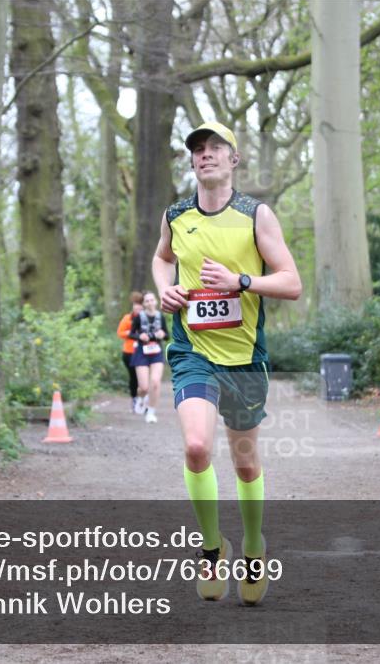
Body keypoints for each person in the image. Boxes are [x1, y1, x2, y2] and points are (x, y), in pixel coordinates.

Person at [152, 121, 301, 605]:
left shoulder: (255, 215)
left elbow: (291, 283)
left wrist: (240, 282)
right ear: (192, 161)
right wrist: (165, 288)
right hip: (193, 351)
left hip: (243, 357)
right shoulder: (175, 215)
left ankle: (254, 546)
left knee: (245, 462)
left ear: (234, 159)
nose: (205, 154)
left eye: (216, 147)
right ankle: (212, 549)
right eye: (198, 149)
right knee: (197, 447)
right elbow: (161, 258)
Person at [128, 291, 169, 424]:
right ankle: (141, 398)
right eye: (147, 301)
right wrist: (139, 336)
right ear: (144, 304)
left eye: (152, 300)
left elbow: (167, 334)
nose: (150, 303)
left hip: (156, 352)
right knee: (144, 387)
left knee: (155, 383)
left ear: (156, 301)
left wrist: (163, 334)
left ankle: (151, 412)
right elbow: (131, 334)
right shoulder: (139, 317)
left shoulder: (160, 316)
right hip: (142, 352)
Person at [116, 291, 143, 413]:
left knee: (143, 379)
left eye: (139, 304)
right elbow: (120, 332)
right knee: (134, 378)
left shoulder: (147, 318)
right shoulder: (127, 318)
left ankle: (144, 401)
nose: (137, 307)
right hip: (129, 352)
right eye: (135, 304)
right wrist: (129, 333)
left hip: (144, 353)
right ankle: (134, 400)